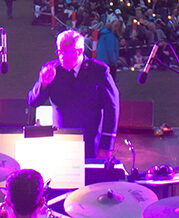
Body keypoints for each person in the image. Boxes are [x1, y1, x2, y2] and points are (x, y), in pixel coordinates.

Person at [27, 29, 120, 159]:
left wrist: (106, 146)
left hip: (91, 142)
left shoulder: (99, 71)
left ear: (80, 51)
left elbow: (112, 108)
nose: (61, 56)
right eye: (59, 51)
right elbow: (32, 102)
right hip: (61, 142)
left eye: (66, 52)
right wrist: (43, 85)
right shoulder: (52, 70)